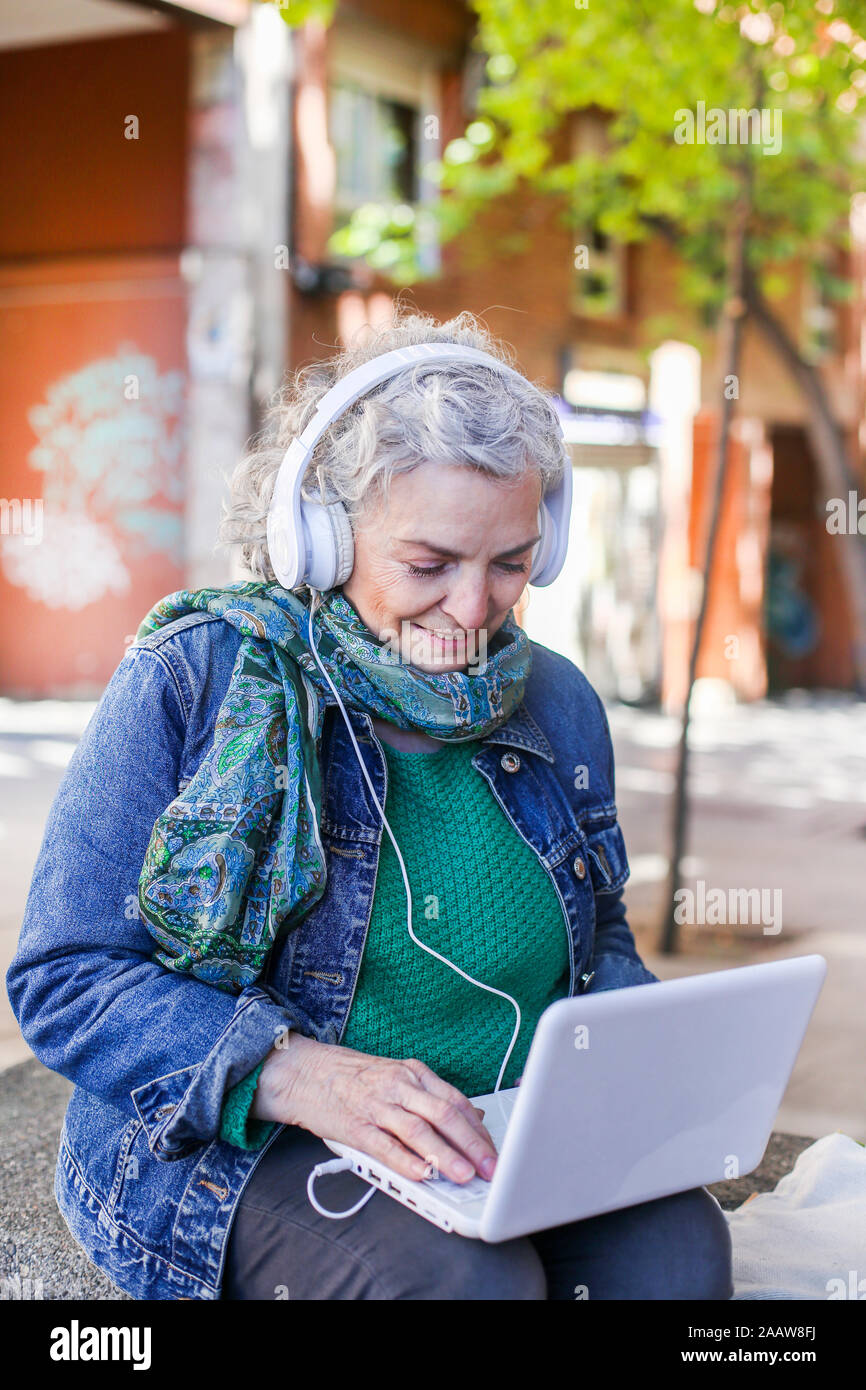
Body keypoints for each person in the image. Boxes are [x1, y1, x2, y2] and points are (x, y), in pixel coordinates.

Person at [7, 308, 732, 1301]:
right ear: (321, 537)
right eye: (428, 564)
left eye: (510, 562)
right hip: (240, 1140)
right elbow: (66, 974)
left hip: (499, 1126)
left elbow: (595, 935)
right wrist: (302, 1073)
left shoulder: (557, 703)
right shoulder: (196, 676)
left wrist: (642, 1052)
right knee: (468, 1286)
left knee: (678, 1263)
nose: (473, 611)